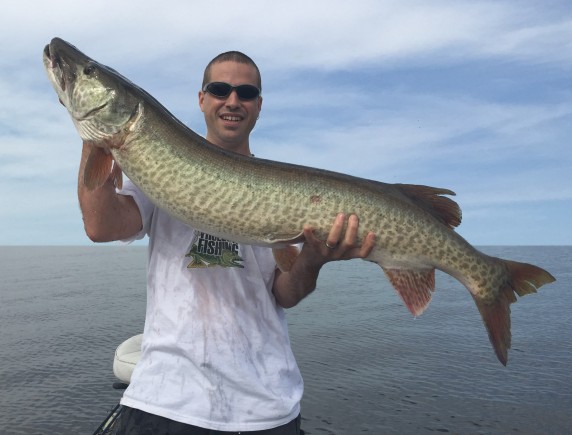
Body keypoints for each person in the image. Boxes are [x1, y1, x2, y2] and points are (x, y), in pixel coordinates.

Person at [79, 51, 375, 434]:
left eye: (246, 92)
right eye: (220, 89)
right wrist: (94, 138)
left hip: (266, 407)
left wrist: (314, 258)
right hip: (166, 401)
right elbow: (100, 226)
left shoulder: (285, 195)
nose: (232, 101)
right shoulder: (155, 174)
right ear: (202, 99)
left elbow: (285, 293)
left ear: (258, 106)